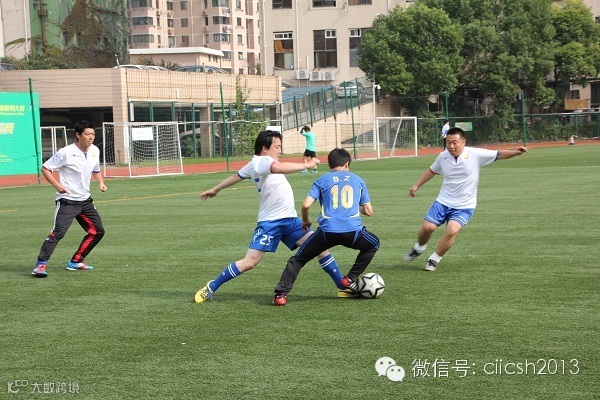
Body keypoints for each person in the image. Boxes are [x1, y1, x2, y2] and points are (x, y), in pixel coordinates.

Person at [194, 130, 346, 303]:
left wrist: (216, 189)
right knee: (249, 262)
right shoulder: (263, 161)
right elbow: (278, 168)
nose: (280, 150)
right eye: (277, 147)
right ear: (265, 149)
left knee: (321, 249)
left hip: (291, 221)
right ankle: (211, 287)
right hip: (271, 223)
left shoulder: (255, 163)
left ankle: (342, 287)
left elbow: (237, 176)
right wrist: (307, 165)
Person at [403, 127, 528, 272]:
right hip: (443, 201)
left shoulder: (475, 154)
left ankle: (434, 259)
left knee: (452, 230)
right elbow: (432, 171)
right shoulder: (443, 156)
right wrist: (416, 185)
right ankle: (419, 248)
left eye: (454, 142)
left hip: (465, 205)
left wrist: (516, 152)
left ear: (463, 142)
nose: (451, 146)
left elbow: (498, 154)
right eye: (448, 142)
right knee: (427, 228)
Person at [273, 148, 380, 306]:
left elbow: (306, 205)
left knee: (298, 259)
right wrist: (355, 206)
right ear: (346, 164)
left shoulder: (322, 180)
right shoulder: (358, 180)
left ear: (330, 165)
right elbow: (369, 211)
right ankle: (350, 278)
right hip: (353, 233)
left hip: (326, 233)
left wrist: (305, 220)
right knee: (373, 244)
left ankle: (281, 295)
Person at [31, 120, 107, 278]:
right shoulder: (66, 152)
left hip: (85, 201)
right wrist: (57, 185)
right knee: (58, 232)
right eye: (87, 134)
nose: (90, 137)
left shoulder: (95, 150)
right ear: (78, 135)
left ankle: (76, 261)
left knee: (97, 231)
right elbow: (46, 168)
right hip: (67, 201)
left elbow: (96, 169)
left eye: (93, 134)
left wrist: (101, 182)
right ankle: (40, 265)